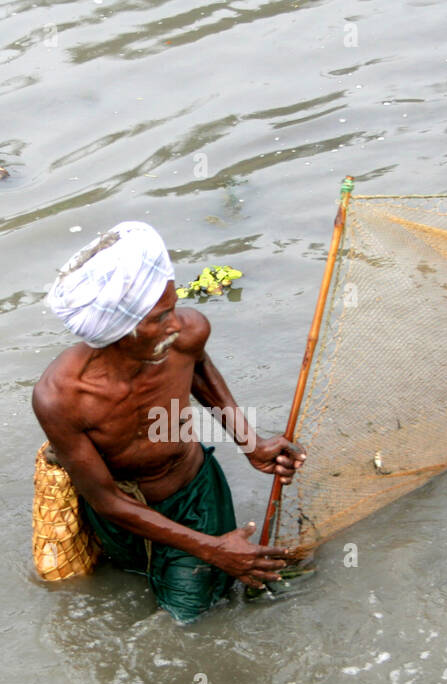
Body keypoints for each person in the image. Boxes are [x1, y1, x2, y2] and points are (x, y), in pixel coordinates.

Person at [32, 221, 306, 622]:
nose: (176, 324)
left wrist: (252, 444)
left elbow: (198, 370)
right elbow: (106, 500)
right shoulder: (62, 397)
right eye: (160, 318)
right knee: (122, 583)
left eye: (173, 308)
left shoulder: (187, 332)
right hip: (124, 512)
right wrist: (212, 550)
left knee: (191, 618)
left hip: (194, 495)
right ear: (120, 331)